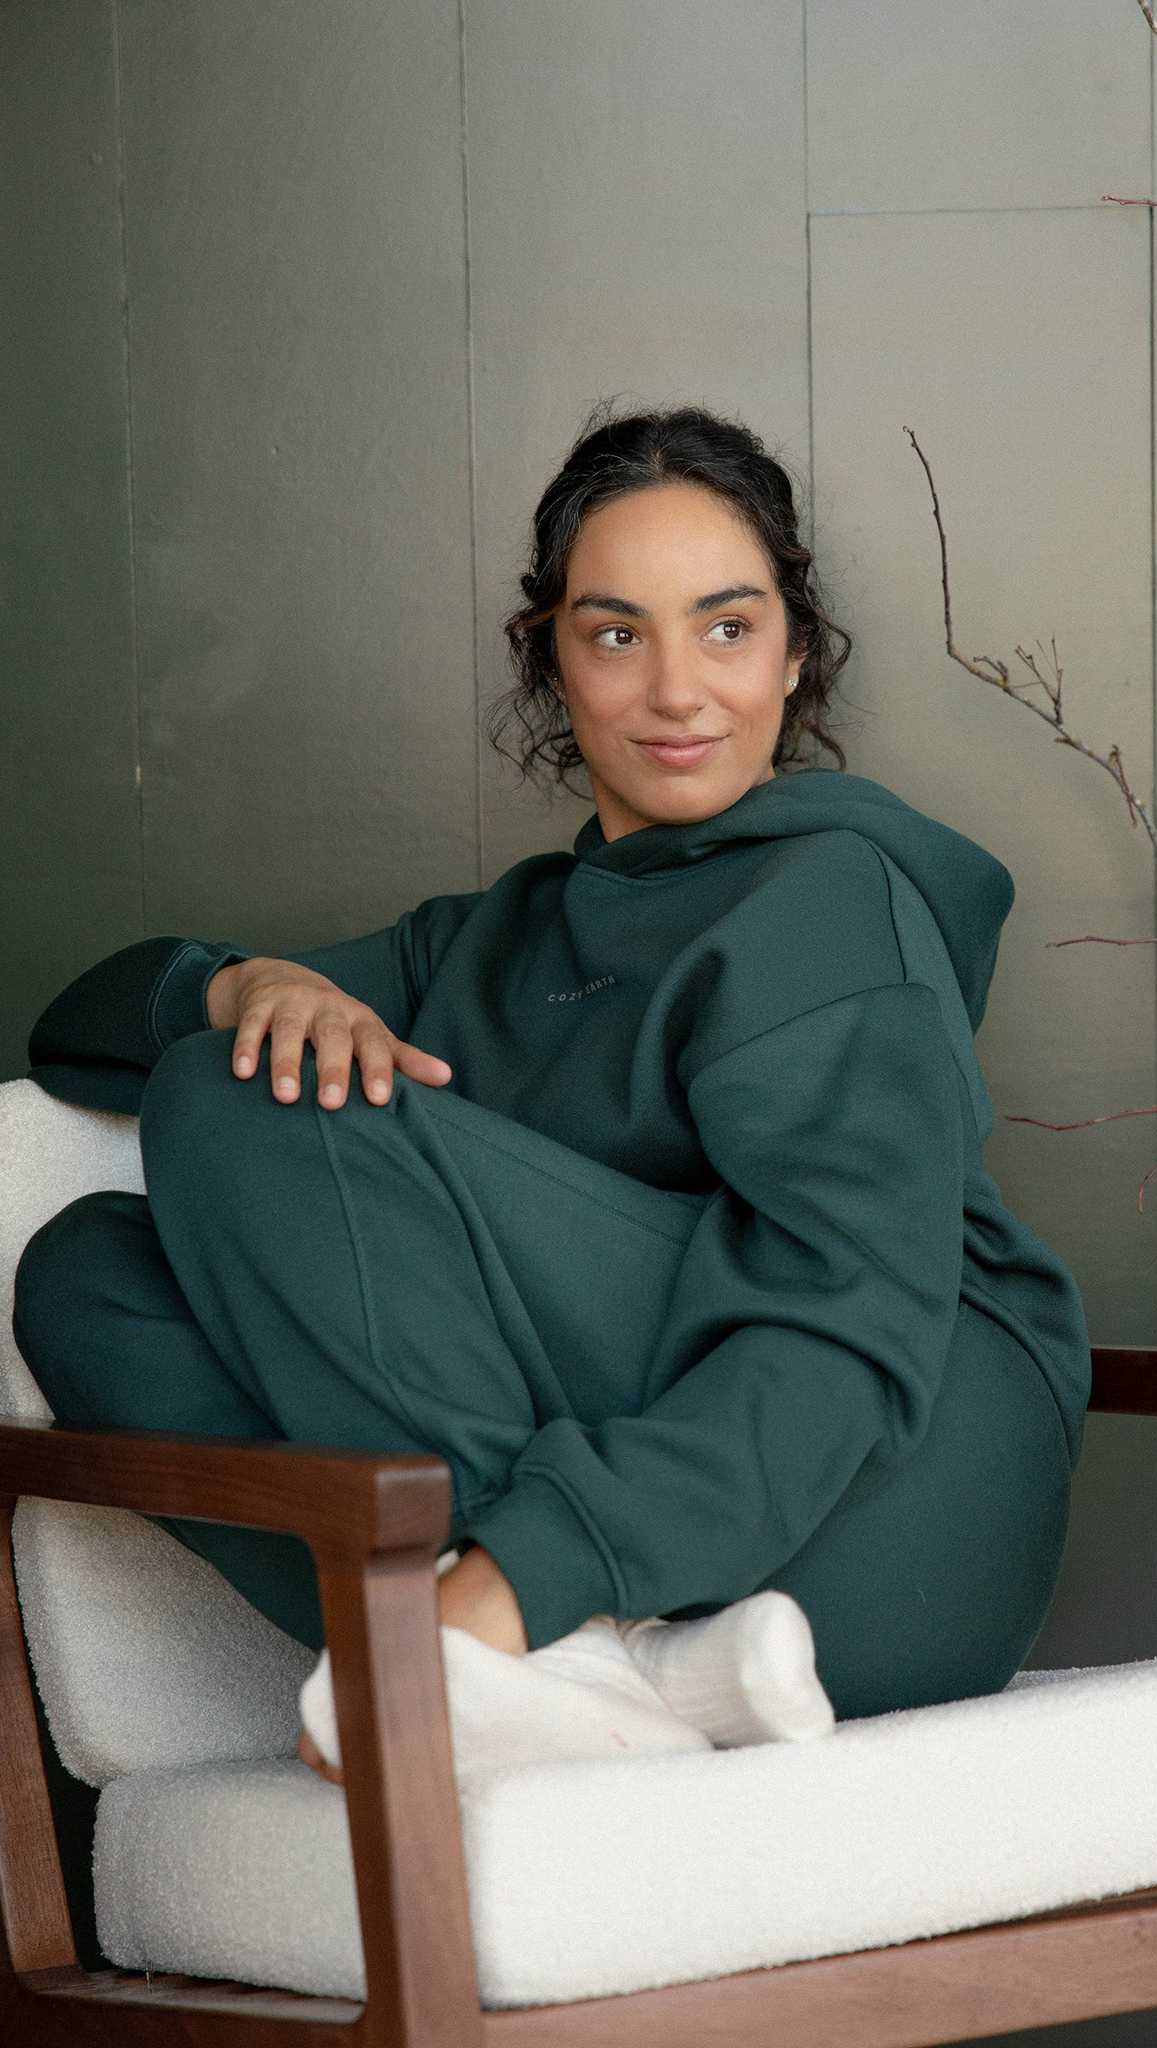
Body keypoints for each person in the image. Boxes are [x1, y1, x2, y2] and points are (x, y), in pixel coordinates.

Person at [12, 401, 1092, 1790]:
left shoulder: (831, 901)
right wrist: (247, 988)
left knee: (236, 1106)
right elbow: (77, 1025)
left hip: (897, 1520)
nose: (679, 690)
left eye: (727, 626)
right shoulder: (492, 941)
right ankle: (602, 1681)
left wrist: (516, 1574)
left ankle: (498, 1635)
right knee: (85, 1272)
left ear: (795, 651)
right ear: (553, 661)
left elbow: (844, 1332)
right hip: (717, 1606)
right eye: (616, 632)